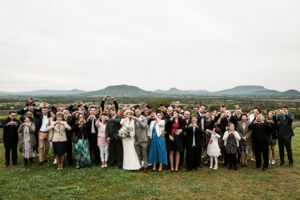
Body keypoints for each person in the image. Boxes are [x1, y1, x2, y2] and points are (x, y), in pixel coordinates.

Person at [133, 108, 148, 173]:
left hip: (143, 139)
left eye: (138, 112)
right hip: (136, 139)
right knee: (138, 154)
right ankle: (139, 166)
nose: (137, 113)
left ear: (140, 112)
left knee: (144, 154)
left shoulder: (144, 118)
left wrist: (137, 120)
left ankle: (145, 167)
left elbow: (144, 126)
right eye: (136, 112)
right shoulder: (133, 119)